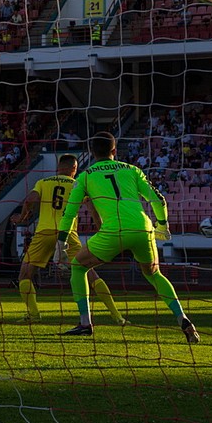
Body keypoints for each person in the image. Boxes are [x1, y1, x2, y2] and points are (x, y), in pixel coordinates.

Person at [57, 132, 200, 343]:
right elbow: (158, 200)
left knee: (78, 266)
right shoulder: (132, 170)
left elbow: (70, 211)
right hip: (142, 228)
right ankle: (183, 319)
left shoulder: (85, 176)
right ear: (115, 151)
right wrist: (162, 225)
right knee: (154, 274)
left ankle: (85, 324)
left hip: (113, 231)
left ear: (92, 153)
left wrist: (62, 241)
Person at [10, 154, 122, 324]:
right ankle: (116, 315)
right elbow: (91, 207)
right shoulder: (78, 184)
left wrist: (22, 218)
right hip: (68, 233)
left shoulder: (43, 182)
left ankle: (33, 314)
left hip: (44, 232)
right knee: (89, 273)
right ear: (74, 169)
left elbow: (30, 199)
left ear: (58, 168)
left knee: (25, 275)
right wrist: (101, 229)